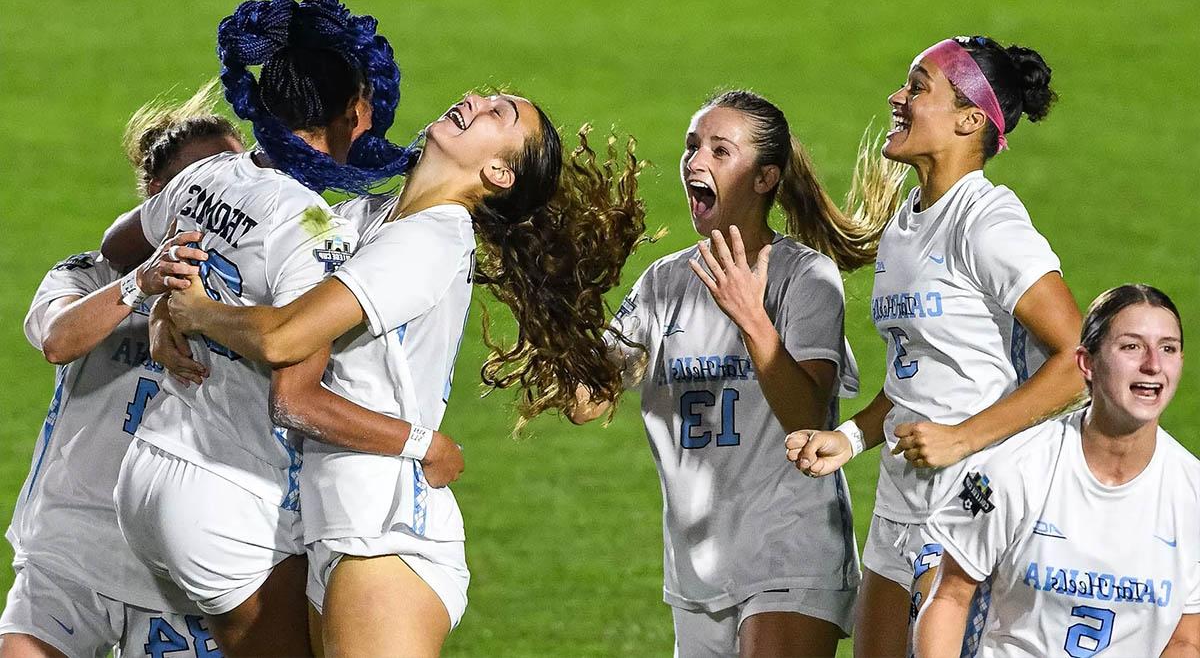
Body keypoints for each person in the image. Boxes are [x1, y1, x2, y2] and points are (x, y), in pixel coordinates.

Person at [161, 91, 647, 656]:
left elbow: (280, 336)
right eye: (484, 95)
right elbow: (256, 299)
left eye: (500, 114)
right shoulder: (364, 216)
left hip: (388, 529)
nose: (476, 101)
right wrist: (162, 312)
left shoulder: (432, 239)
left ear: (497, 172)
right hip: (335, 520)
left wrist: (196, 313)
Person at [98, 0, 444, 656]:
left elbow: (121, 246)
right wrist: (422, 443)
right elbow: (297, 397)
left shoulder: (208, 175)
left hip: (147, 472)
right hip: (227, 494)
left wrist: (158, 299)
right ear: (351, 113)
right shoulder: (314, 229)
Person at [568, 90, 907, 657]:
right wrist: (563, 303)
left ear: (764, 178)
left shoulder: (805, 278)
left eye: (719, 151)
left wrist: (752, 316)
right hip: (696, 567)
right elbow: (586, 404)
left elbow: (808, 414)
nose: (695, 162)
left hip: (790, 553)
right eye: (692, 147)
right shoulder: (662, 283)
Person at [786, 35, 1086, 657]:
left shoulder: (989, 223)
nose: (898, 97)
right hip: (902, 498)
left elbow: (1080, 362)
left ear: (970, 119)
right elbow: (913, 379)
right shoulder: (906, 220)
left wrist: (962, 437)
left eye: (918, 87)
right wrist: (850, 438)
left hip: (970, 503)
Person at [0, 82, 242, 658]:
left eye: (236, 176)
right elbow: (58, 339)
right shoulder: (90, 274)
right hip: (70, 548)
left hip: (182, 565)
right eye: (203, 182)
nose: (229, 196)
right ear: (158, 196)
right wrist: (142, 283)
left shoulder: (251, 295)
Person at [915, 284, 1200, 657]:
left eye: (1168, 348)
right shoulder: (1014, 470)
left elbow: (1186, 638)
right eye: (1131, 346)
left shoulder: (1191, 493)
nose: (1153, 365)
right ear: (1087, 363)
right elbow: (950, 595)